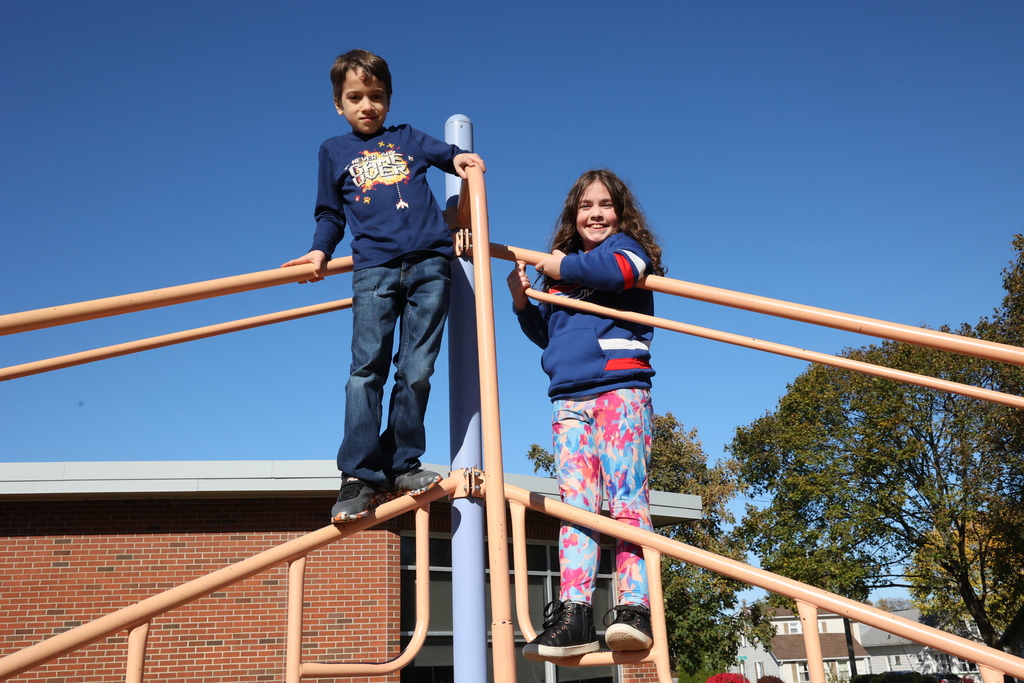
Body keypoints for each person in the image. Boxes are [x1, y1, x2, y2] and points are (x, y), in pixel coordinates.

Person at [282, 49, 485, 523]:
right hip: (373, 269)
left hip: (431, 263)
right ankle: (358, 475)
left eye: (375, 96)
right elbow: (330, 213)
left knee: (416, 369)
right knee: (365, 371)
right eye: (355, 97)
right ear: (339, 104)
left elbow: (451, 158)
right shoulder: (333, 150)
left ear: (388, 100)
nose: (366, 105)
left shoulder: (408, 138)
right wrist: (319, 251)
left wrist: (466, 161)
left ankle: (401, 462)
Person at [506, 169, 665, 660]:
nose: (595, 214)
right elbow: (552, 336)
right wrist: (521, 302)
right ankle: (575, 612)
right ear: (573, 216)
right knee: (576, 505)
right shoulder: (562, 275)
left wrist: (554, 266)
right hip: (569, 397)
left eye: (605, 205)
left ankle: (633, 607)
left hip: (619, 389)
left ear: (621, 212)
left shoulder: (626, 250)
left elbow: (615, 274)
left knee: (624, 497)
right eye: (585, 207)